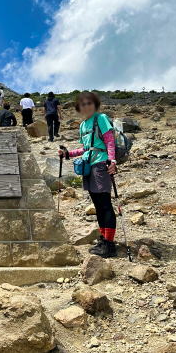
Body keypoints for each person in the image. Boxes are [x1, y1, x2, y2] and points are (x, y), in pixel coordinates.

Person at [58, 92, 118, 258]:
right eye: (83, 104)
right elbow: (86, 148)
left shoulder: (101, 118)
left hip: (101, 164)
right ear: (79, 108)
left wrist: (112, 161)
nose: (86, 106)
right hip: (88, 166)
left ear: (95, 104)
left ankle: (109, 245)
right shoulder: (83, 125)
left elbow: (109, 140)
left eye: (89, 103)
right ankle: (104, 239)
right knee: (97, 205)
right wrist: (68, 154)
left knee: (105, 204)